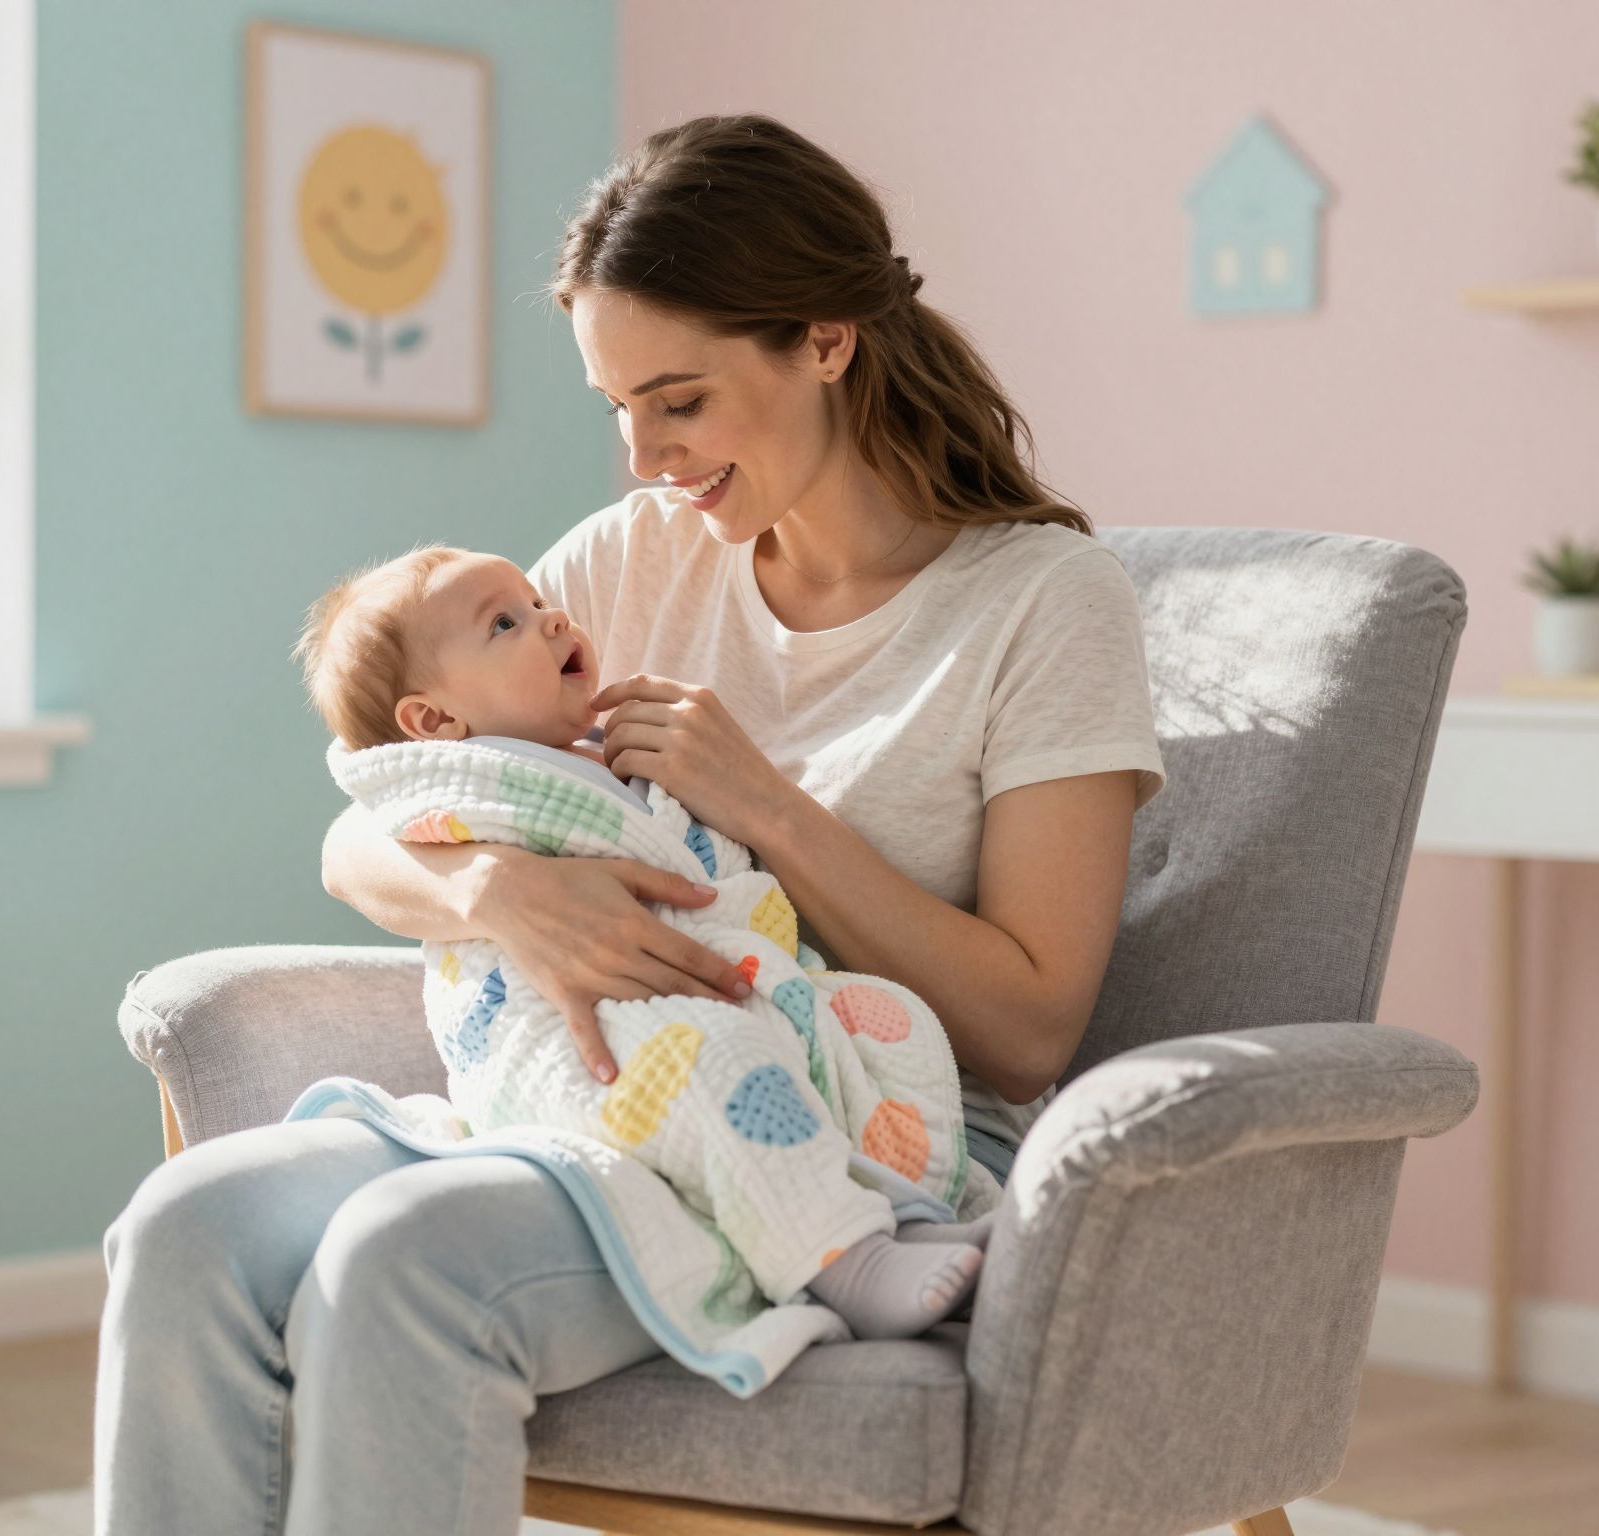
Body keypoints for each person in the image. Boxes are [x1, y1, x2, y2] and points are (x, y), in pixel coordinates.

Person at [95, 112, 1166, 1536]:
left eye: (680, 400)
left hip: (843, 1134)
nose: (647, 454)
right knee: (185, 1233)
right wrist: (494, 895)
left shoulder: (1042, 607)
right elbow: (366, 827)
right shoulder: (631, 559)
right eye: (617, 407)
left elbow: (1032, 1025)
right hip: (571, 1101)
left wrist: (767, 808)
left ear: (827, 338)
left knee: (410, 1262)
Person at [290, 542, 992, 1343]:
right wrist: (497, 889)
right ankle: (844, 1262)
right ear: (434, 721)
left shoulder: (603, 757)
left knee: (869, 1019)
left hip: (709, 987)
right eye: (507, 621)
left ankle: (906, 1207)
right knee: (718, 1064)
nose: (553, 614)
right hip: (567, 1031)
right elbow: (358, 830)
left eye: (535, 598)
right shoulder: (465, 781)